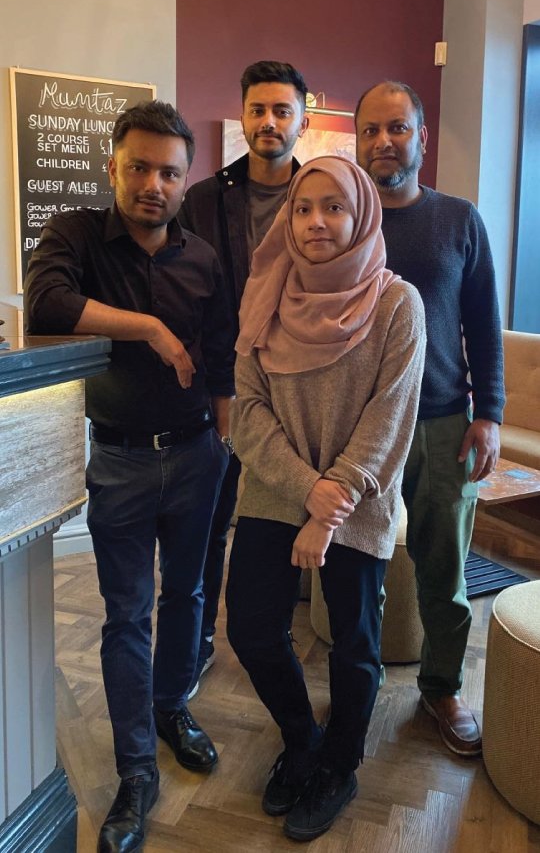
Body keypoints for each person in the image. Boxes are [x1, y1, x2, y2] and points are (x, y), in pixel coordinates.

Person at [24, 101, 235, 853]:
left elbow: (220, 356)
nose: (154, 184)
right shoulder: (76, 232)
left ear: (186, 180)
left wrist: (225, 440)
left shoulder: (205, 258)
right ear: (113, 165)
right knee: (125, 615)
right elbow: (46, 302)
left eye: (170, 172)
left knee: (187, 595)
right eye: (139, 167)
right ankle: (136, 769)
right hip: (117, 457)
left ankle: (174, 707)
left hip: (197, 454)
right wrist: (146, 327)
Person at [226, 156, 426, 841]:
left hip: (358, 503)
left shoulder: (398, 303)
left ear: (361, 213)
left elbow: (390, 417)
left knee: (354, 645)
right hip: (275, 493)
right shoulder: (266, 292)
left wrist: (332, 499)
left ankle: (339, 766)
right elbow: (247, 413)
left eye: (334, 207)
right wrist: (308, 491)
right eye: (304, 207)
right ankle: (302, 739)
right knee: (252, 629)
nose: (316, 221)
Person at [355, 80, 505, 758]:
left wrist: (491, 413)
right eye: (371, 131)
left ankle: (442, 688)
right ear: (357, 142)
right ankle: (354, 687)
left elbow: (483, 322)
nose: (384, 141)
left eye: (397, 128)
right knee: (354, 565)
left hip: (445, 422)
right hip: (359, 426)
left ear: (421, 136)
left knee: (444, 567)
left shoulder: (460, 220)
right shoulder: (342, 218)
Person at [179, 60, 309, 693]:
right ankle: (199, 636)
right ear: (243, 116)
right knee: (210, 516)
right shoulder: (204, 198)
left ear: (302, 120)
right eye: (258, 109)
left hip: (302, 386)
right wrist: (215, 385)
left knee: (288, 510)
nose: (269, 122)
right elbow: (185, 295)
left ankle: (276, 628)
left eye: (282, 110)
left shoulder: (324, 195)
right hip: (223, 386)